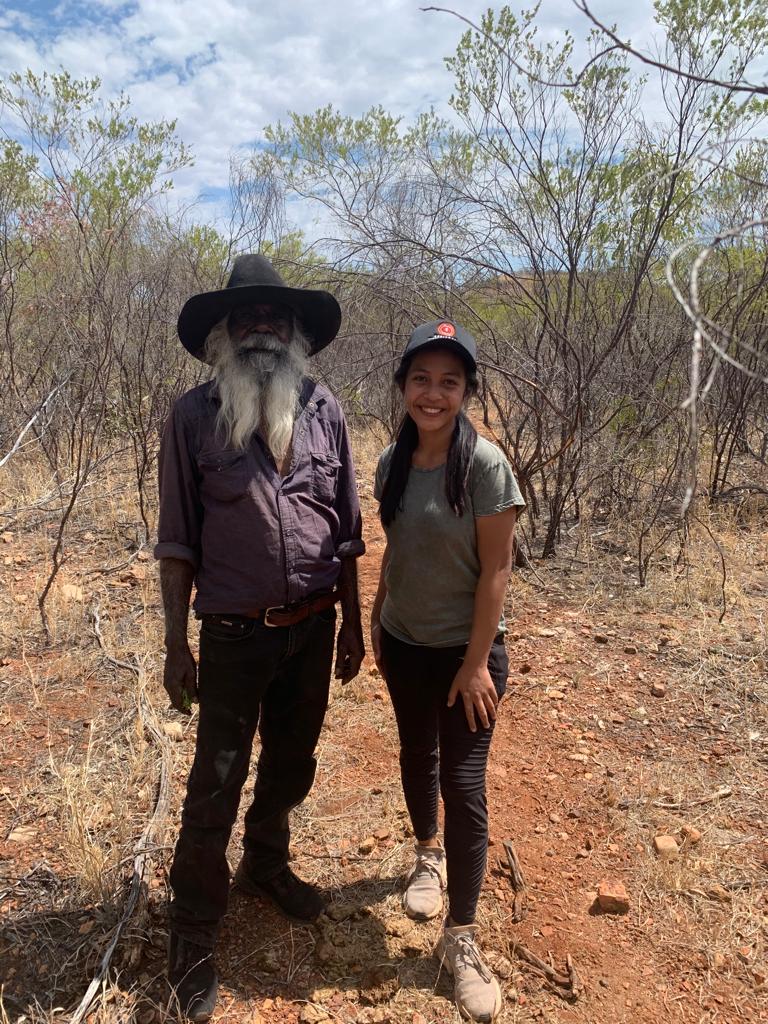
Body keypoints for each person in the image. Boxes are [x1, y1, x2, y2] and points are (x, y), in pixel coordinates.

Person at [155, 254, 365, 1022]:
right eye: (246, 316)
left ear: (296, 330)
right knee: (214, 781)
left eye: (275, 315)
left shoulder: (324, 408)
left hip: (314, 629)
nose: (262, 326)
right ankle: (193, 932)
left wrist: (350, 621)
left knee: (292, 762)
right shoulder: (191, 418)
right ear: (223, 332)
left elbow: (346, 529)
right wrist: (176, 645)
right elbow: (177, 540)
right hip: (235, 635)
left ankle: (266, 865)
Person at [370, 320, 525, 1024]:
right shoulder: (389, 463)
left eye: (450, 382)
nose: (433, 394)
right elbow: (397, 553)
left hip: (468, 658)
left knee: (463, 783)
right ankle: (425, 856)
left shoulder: (485, 464)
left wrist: (474, 664)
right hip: (403, 643)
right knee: (414, 753)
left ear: (465, 392)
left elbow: (497, 568)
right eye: (422, 379)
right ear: (404, 386)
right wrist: (376, 620)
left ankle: (459, 938)